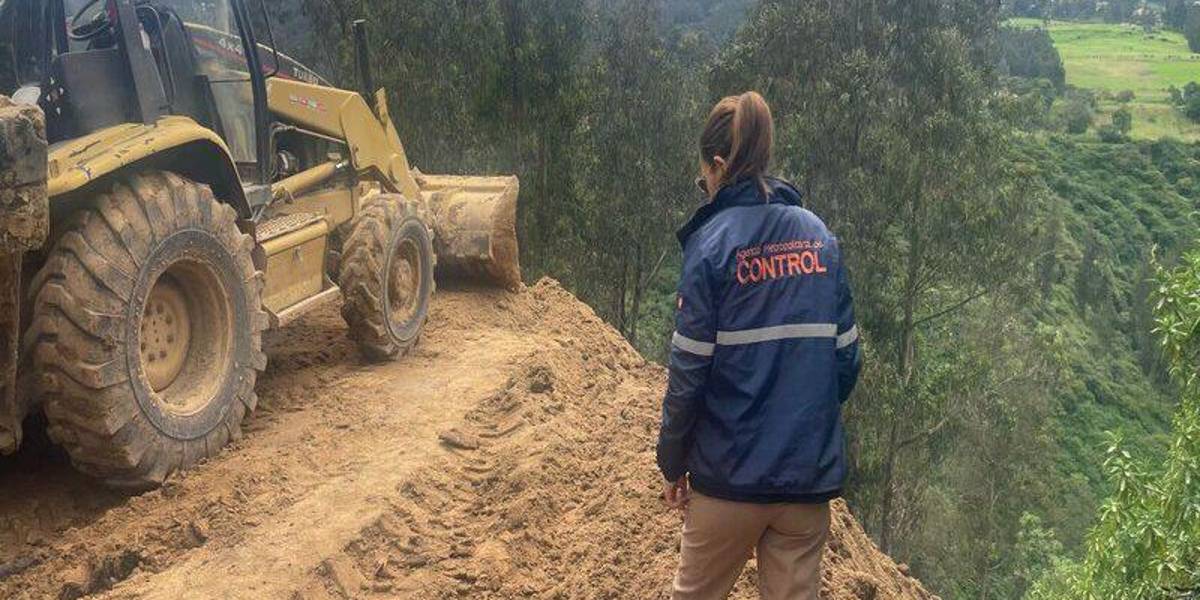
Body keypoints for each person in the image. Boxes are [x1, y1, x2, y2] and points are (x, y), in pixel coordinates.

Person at [657, 91, 862, 600]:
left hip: (727, 482)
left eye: (703, 174)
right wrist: (796, 418)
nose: (703, 184)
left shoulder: (711, 247)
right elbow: (846, 363)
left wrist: (672, 462)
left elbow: (689, 376)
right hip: (803, 489)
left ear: (720, 164)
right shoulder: (819, 239)